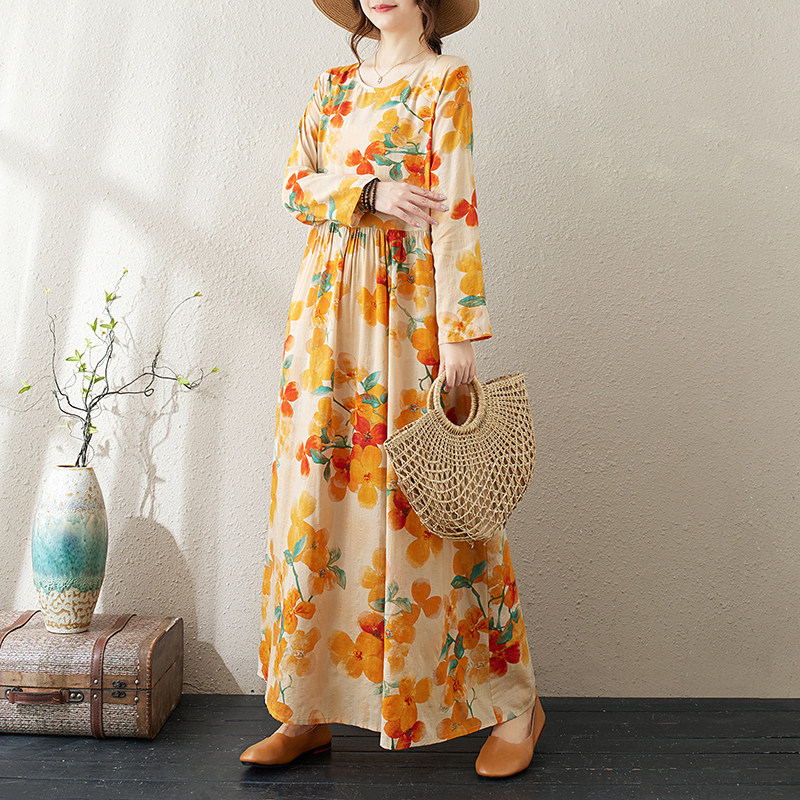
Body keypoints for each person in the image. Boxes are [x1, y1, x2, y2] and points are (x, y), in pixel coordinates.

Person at [240, 0, 545, 778]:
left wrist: (460, 331)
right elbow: (293, 188)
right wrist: (369, 192)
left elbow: (457, 209)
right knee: (318, 494)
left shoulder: (447, 82)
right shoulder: (332, 86)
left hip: (409, 313)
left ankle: (516, 705)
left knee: (432, 504)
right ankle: (304, 708)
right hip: (324, 315)